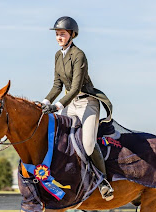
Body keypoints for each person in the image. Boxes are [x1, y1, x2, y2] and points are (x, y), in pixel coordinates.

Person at [41, 16, 114, 201]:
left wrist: (57, 105)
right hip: (70, 103)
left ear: (72, 35)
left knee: (88, 145)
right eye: (57, 34)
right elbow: (57, 86)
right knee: (58, 139)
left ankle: (103, 181)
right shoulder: (58, 56)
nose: (59, 37)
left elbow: (74, 88)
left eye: (62, 34)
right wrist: (44, 102)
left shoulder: (79, 55)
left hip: (86, 102)